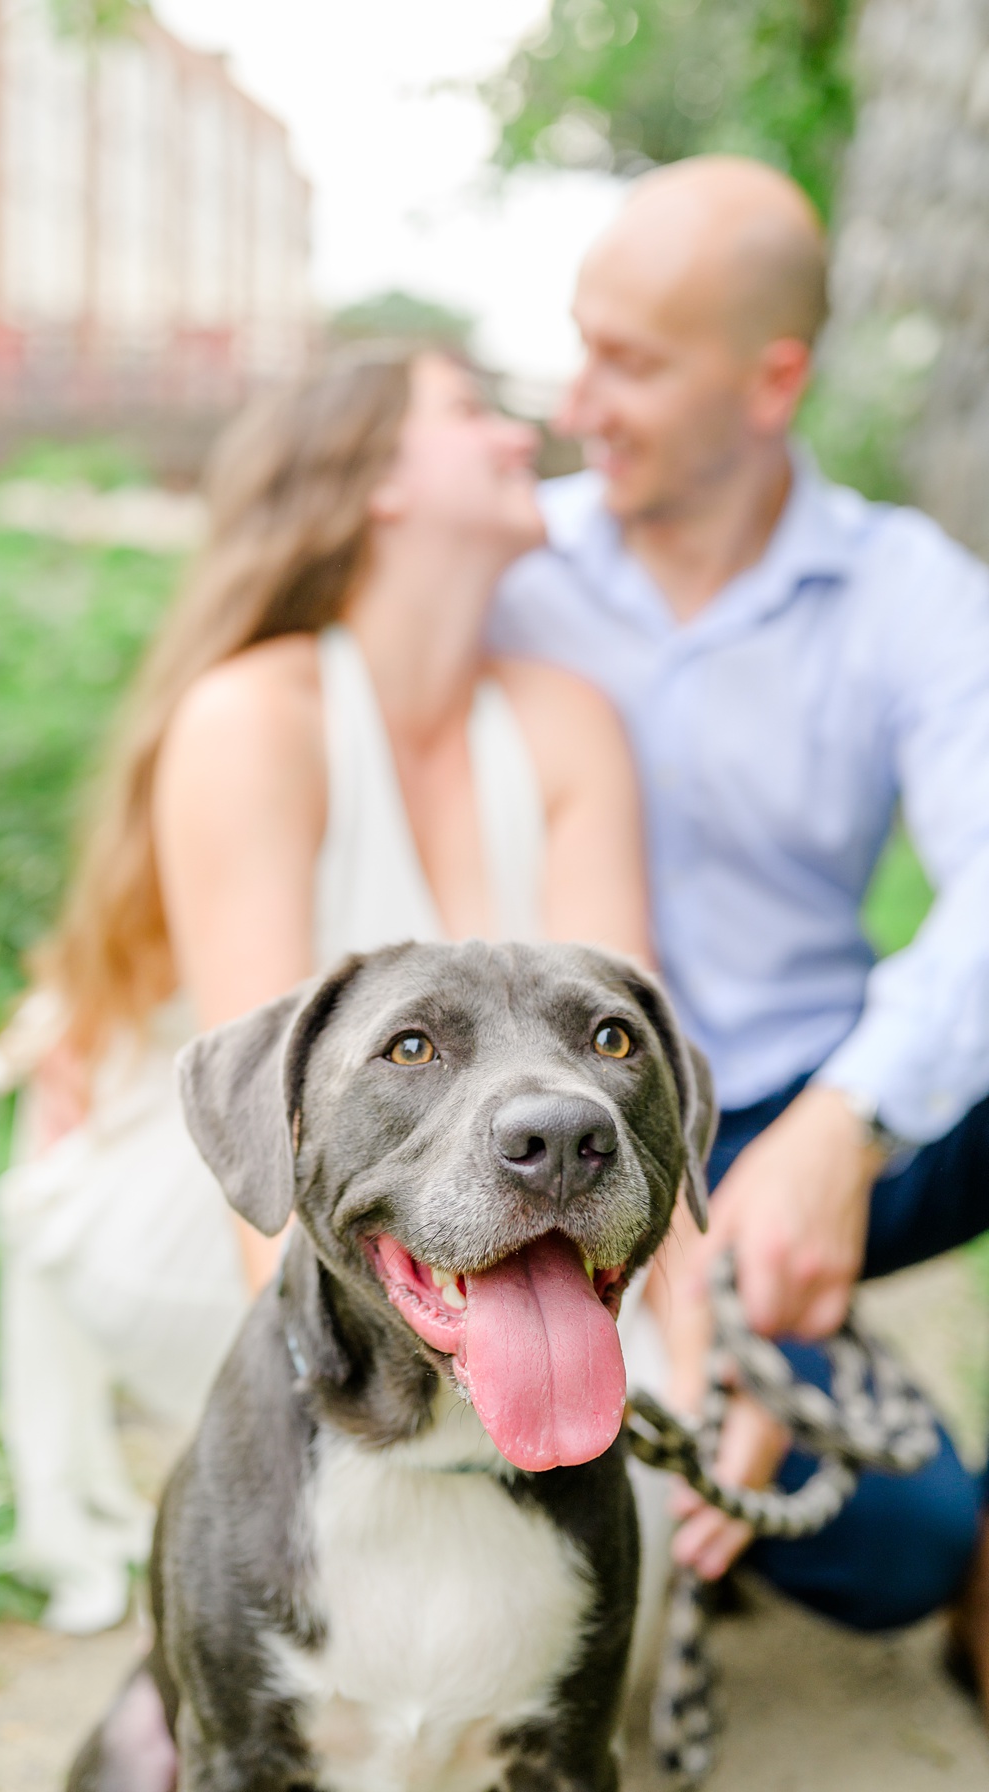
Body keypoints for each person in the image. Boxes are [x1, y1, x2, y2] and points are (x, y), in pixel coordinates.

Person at [0, 342, 652, 1633]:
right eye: (471, 411)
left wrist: (680, 1337)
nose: (523, 434)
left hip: (526, 1181)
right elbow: (277, 1131)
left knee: (643, 1516)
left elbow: (621, 1071)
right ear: (372, 479)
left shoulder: (568, 722)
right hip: (237, 1197)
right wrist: (294, 1462)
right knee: (380, 1550)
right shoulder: (255, 717)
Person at [493, 154, 989, 1684]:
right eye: (580, 342)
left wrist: (845, 1121)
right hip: (568, 1141)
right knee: (903, 1542)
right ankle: (767, 1352)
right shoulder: (514, 572)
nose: (580, 400)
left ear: (771, 381)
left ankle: (790, 1311)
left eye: (629, 361)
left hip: (813, 1109)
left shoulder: (907, 591)